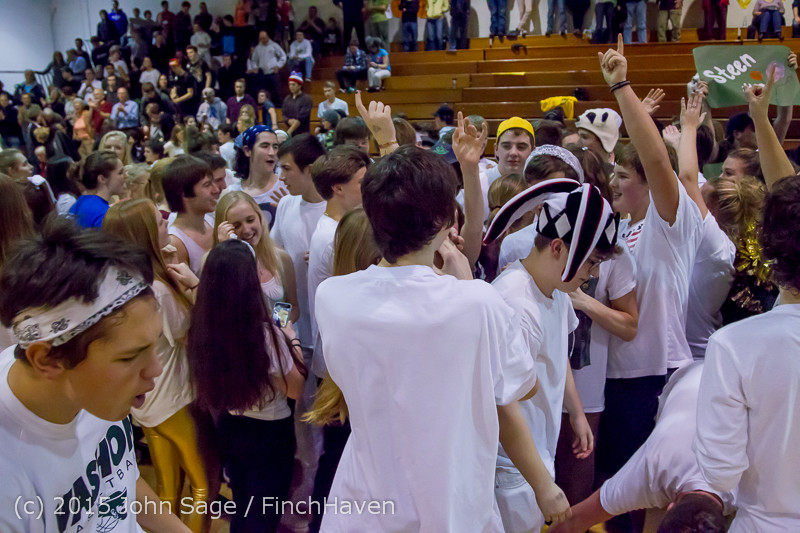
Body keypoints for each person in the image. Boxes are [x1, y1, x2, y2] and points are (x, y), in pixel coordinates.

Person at [312, 122, 537, 530]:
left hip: (363, 506)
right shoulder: (476, 301)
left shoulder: (332, 297)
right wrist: (464, 279)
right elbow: (522, 385)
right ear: (445, 220)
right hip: (449, 507)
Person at [0, 218, 194, 533]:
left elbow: (120, 480)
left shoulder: (98, 394)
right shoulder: (8, 483)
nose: (155, 370)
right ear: (47, 360)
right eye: (130, 356)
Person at [594, 40, 705, 532]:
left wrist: (622, 88)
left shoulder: (670, 223)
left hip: (657, 378)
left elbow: (660, 163)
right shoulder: (619, 229)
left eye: (622, 174)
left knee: (645, 508)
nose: (615, 182)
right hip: (613, 382)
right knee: (617, 504)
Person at [102, 199, 212, 533]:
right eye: (158, 219)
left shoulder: (120, 281)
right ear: (145, 233)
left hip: (146, 402)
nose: (166, 219)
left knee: (166, 486)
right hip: (175, 398)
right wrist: (193, 288)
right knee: (202, 486)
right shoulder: (159, 289)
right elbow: (186, 335)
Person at [188, 239, 305, 533]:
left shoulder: (204, 328)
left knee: (243, 505)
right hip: (269, 435)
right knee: (262, 516)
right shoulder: (266, 335)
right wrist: (291, 338)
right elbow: (295, 389)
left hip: (230, 427)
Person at [550, 363, 730, 533]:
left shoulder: (752, 492)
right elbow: (573, 521)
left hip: (736, 387)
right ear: (669, 506)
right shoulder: (651, 468)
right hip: (690, 379)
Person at [163, 155, 221, 273]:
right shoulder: (176, 243)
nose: (216, 190)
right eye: (207, 185)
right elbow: (185, 290)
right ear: (184, 194)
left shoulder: (211, 222)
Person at [230, 126, 289, 228]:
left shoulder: (287, 187)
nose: (272, 153)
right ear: (247, 150)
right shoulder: (233, 193)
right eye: (265, 146)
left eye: (275, 147)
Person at [68, 151, 124, 228]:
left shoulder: (78, 203)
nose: (125, 176)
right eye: (120, 173)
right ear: (102, 179)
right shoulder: (103, 215)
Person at [252, 31, 287, 107]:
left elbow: (283, 56)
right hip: (262, 73)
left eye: (264, 38)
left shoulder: (274, 46)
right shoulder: (258, 48)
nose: (263, 40)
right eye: (261, 38)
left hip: (272, 72)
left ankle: (279, 107)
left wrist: (278, 65)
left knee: (276, 92)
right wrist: (255, 67)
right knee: (262, 91)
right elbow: (254, 60)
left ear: (268, 37)